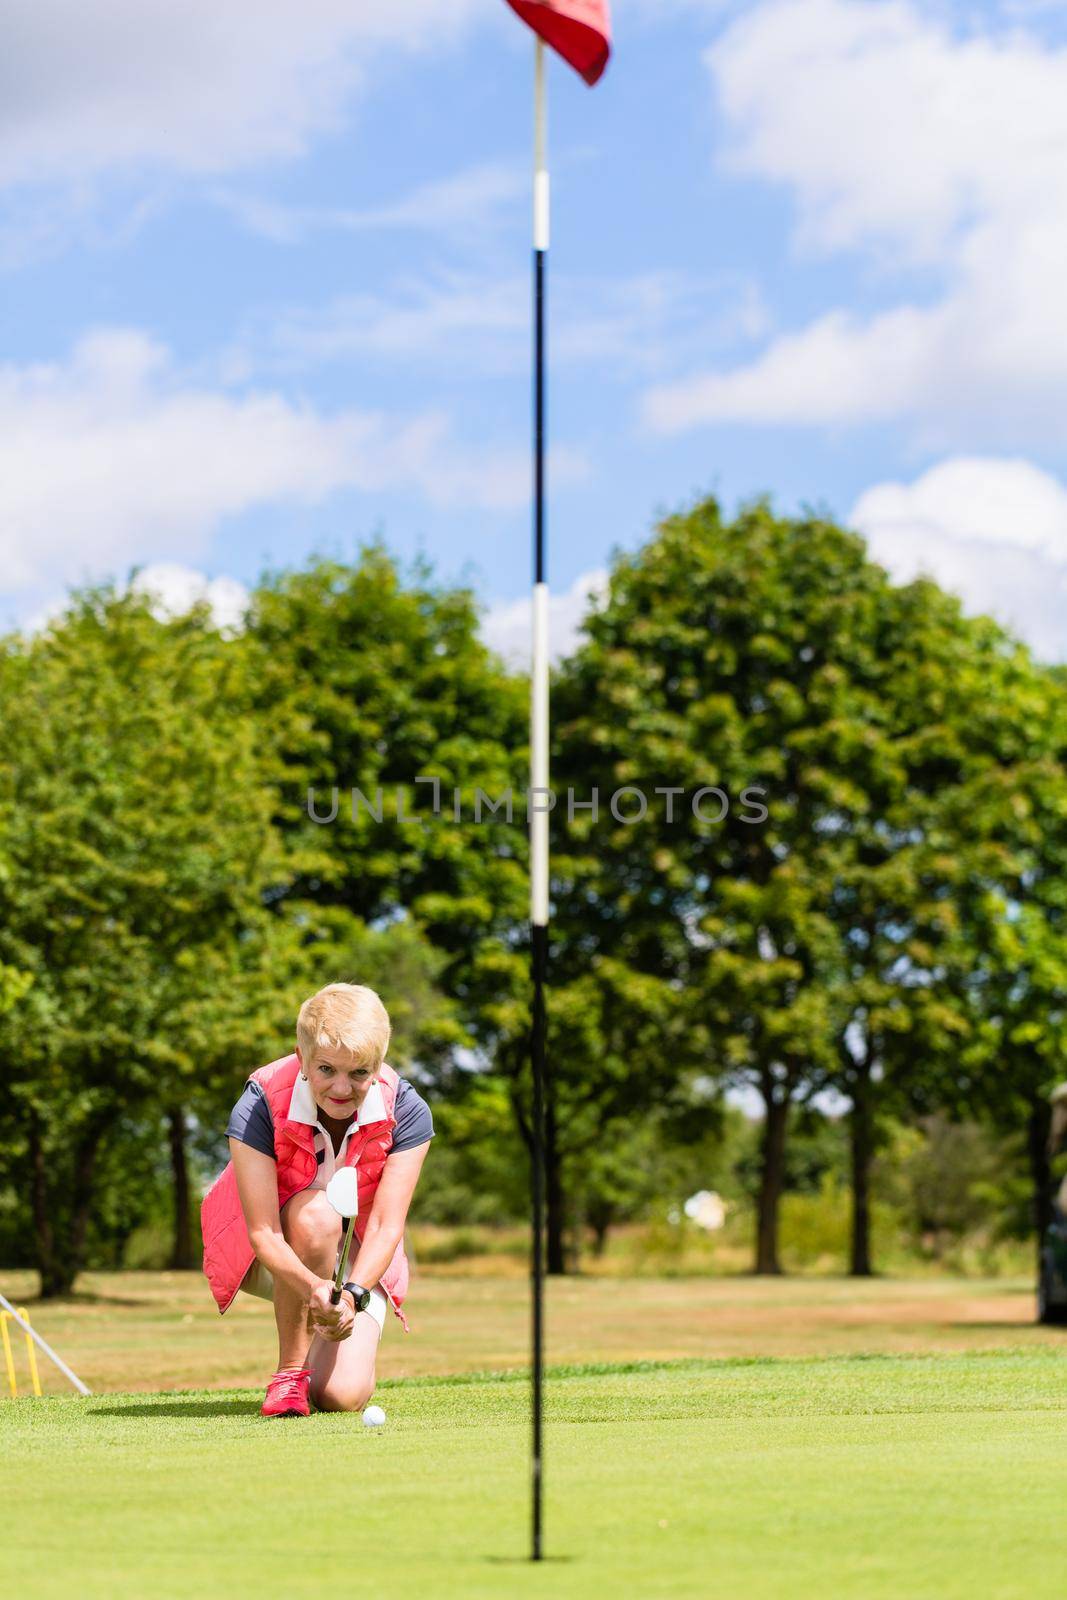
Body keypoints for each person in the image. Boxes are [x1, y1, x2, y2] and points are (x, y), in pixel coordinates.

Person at [201, 982, 433, 1418]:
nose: (342, 1088)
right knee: (317, 1216)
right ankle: (289, 1373)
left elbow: (386, 1226)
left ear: (378, 1065)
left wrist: (350, 1297)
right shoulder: (259, 1102)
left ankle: (316, 1372)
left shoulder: (408, 1109)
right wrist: (314, 1288)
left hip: (358, 1262)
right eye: (327, 1069)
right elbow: (263, 1231)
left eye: (359, 1073)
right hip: (271, 1253)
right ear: (302, 1057)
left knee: (340, 1397)